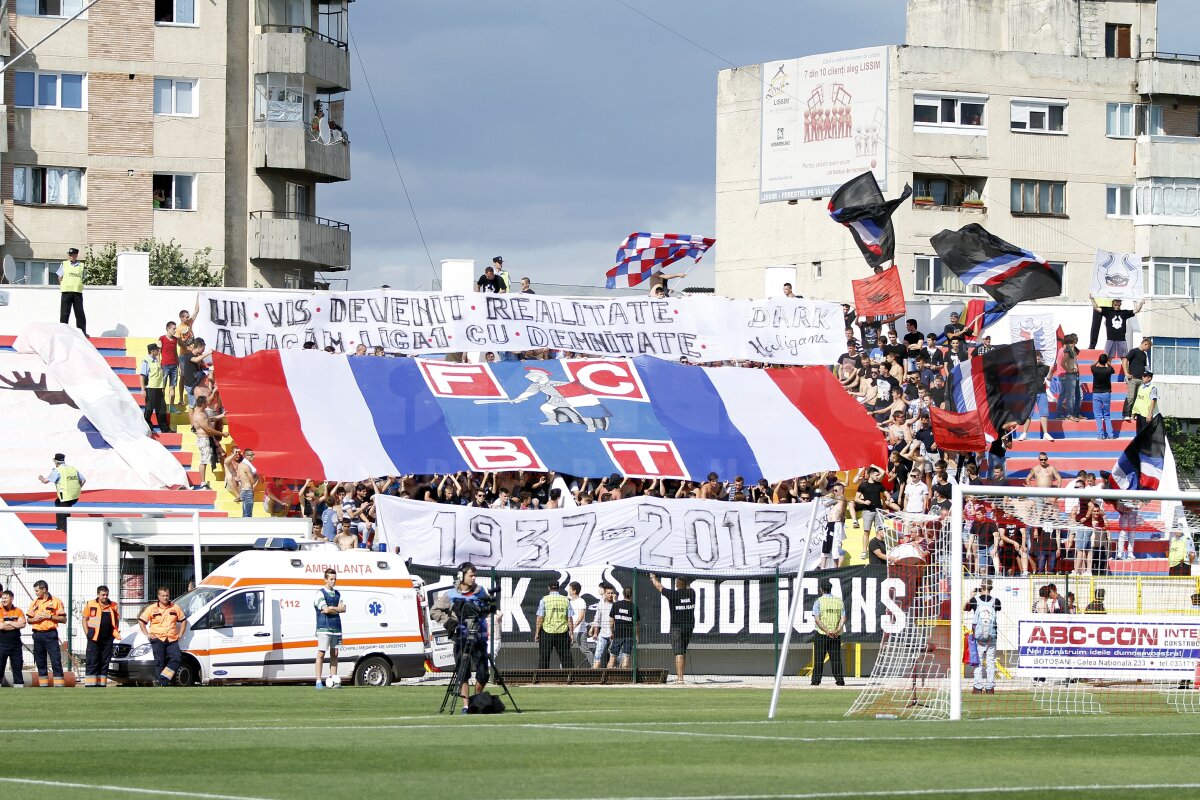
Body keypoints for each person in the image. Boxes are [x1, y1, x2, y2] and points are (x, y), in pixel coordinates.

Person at [430, 563, 494, 713]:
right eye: (471, 575)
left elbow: (488, 608)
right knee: (462, 673)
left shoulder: (480, 592)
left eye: (474, 575)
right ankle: (466, 705)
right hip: (461, 639)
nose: (474, 578)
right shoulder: (451, 594)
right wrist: (451, 623)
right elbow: (435, 610)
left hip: (479, 639)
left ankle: (476, 701)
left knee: (483, 674)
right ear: (461, 576)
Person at [650, 573, 695, 684]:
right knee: (683, 651)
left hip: (677, 627)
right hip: (689, 626)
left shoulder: (673, 594)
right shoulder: (692, 593)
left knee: (679, 653)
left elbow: (659, 587)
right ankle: (681, 677)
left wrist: (652, 578)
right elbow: (689, 587)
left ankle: (680, 679)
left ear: (677, 585)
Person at [138, 587, 187, 686]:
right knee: (160, 662)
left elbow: (183, 620)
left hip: (171, 639)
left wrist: (181, 633)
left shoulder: (175, 607)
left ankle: (162, 680)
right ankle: (162, 684)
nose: (165, 598)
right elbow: (141, 621)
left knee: (176, 658)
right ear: (159, 596)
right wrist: (147, 634)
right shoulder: (152, 608)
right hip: (158, 639)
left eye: (167, 595)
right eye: (163, 596)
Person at [27, 580, 66, 687]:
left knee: (55, 660)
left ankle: (59, 685)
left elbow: (63, 619)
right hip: (37, 635)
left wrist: (50, 617)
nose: (36, 593)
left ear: (44, 589)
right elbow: (29, 620)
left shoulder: (56, 601)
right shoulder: (35, 602)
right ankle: (43, 686)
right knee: (40, 661)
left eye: (37, 590)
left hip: (50, 634)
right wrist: (35, 619)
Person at [966, 579, 1000, 694]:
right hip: (992, 636)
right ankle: (990, 688)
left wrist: (971, 596)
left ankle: (978, 687)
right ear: (991, 587)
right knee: (990, 662)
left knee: (978, 662)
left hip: (978, 636)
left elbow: (965, 608)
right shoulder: (996, 601)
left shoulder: (975, 600)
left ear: (981, 587)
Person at [81, 585, 119, 687]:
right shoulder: (91, 604)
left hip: (107, 639)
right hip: (94, 638)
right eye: (103, 595)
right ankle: (90, 685)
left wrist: (115, 632)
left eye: (106, 594)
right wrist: (87, 633)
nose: (105, 597)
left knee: (105, 662)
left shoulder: (113, 605)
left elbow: (116, 620)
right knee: (92, 661)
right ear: (98, 594)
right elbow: (84, 619)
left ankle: (101, 685)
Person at [810, 578, 846, 687]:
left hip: (821, 633)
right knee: (836, 658)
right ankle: (840, 680)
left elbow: (817, 619)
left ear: (821, 589)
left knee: (819, 658)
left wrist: (826, 631)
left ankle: (816, 681)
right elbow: (843, 618)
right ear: (831, 589)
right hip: (836, 634)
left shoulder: (818, 601)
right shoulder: (839, 601)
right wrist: (837, 630)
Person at [313, 568, 345, 688]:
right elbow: (325, 609)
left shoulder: (338, 593)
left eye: (335, 579)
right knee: (321, 653)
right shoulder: (320, 593)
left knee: (335, 653)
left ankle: (333, 679)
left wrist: (332, 608)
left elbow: (344, 608)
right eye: (331, 579)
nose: (334, 581)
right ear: (325, 579)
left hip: (336, 628)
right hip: (324, 628)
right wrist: (336, 609)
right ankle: (318, 681)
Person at [38, 453, 84, 532]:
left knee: (64, 511)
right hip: (75, 496)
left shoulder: (58, 470)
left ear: (56, 462)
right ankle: (60, 526)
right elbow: (83, 480)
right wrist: (77, 488)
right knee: (58, 502)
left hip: (65, 497)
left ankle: (63, 528)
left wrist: (41, 478)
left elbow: (45, 481)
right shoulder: (72, 468)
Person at [1090, 295, 1143, 361]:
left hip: (1121, 339)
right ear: (1113, 304)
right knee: (1109, 357)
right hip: (1110, 339)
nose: (1117, 306)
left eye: (1118, 305)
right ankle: (1108, 370)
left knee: (1124, 357)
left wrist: (1141, 303)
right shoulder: (1108, 312)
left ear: (1120, 304)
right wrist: (1092, 299)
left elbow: (1136, 311)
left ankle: (1125, 371)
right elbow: (1097, 308)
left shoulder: (1124, 313)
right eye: (1115, 305)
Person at [534, 580, 571, 670]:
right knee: (566, 656)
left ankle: (543, 677)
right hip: (562, 631)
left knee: (544, 656)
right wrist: (572, 634)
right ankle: (570, 676)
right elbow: (569, 618)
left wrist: (537, 633)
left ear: (549, 588)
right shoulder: (565, 599)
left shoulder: (545, 600)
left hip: (547, 631)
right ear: (558, 588)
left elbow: (540, 618)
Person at [189, 398, 222, 490]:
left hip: (209, 438)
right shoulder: (198, 415)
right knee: (204, 460)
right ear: (203, 403)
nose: (209, 402)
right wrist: (222, 434)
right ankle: (203, 483)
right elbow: (208, 429)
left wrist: (221, 416)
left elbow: (209, 419)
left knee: (218, 455)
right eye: (207, 401)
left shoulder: (203, 412)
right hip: (204, 439)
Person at [139, 343, 170, 434]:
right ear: (152, 351)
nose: (158, 351)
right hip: (150, 388)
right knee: (149, 409)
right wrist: (143, 389)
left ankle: (164, 429)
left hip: (158, 388)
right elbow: (142, 376)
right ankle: (148, 427)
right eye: (157, 350)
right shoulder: (146, 361)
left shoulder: (156, 359)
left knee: (161, 409)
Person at [57, 247, 87, 336]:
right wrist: (62, 284)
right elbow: (59, 276)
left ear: (76, 255)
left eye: (72, 255)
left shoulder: (81, 265)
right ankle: (63, 332)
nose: (70, 256)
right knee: (64, 313)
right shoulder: (64, 264)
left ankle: (82, 332)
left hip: (77, 292)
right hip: (66, 291)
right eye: (69, 255)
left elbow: (83, 277)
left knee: (79, 313)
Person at [0, 590, 26, 688]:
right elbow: (1, 626)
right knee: (0, 664)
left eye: (5, 598)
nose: (3, 600)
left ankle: (18, 684)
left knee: (17, 664)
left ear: (11, 598)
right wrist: (15, 624)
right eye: (2, 598)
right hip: (2, 643)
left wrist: (9, 623)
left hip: (16, 644)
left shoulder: (18, 611)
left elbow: (23, 624)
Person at [608, 585, 639, 668]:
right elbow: (636, 624)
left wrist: (611, 632)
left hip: (618, 634)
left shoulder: (616, 605)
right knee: (626, 657)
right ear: (631, 595)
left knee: (612, 657)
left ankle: (608, 678)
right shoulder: (633, 607)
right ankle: (624, 679)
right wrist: (636, 636)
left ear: (623, 594)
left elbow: (611, 621)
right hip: (629, 635)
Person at [1123, 338, 1151, 421]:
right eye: (1148, 347)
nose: (1148, 349)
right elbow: (1125, 360)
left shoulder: (1144, 355)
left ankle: (1133, 414)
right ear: (1145, 344)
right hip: (1133, 378)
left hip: (1141, 379)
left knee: (1138, 398)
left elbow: (1145, 367)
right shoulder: (1134, 351)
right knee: (1130, 396)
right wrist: (1126, 372)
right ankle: (1126, 414)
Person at [589, 583, 616, 668]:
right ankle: (595, 675)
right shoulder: (601, 604)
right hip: (603, 633)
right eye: (608, 593)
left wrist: (615, 601)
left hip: (614, 635)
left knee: (615, 656)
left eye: (612, 593)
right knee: (598, 654)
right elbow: (597, 619)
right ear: (605, 594)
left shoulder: (616, 605)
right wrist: (595, 633)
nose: (610, 595)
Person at [1090, 353, 1116, 439]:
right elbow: (1113, 370)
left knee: (1098, 416)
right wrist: (1107, 363)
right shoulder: (1108, 370)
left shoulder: (1095, 369)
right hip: (1106, 393)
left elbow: (1091, 365)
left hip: (1096, 393)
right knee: (1107, 415)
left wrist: (1098, 360)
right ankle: (1110, 435)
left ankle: (1100, 435)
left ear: (1099, 360)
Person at [567, 580, 592, 667]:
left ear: (574, 591)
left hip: (580, 630)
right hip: (570, 630)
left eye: (570, 589)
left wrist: (572, 627)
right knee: (565, 650)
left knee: (584, 649)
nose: (568, 590)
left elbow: (581, 616)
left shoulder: (581, 601)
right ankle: (566, 668)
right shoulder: (569, 602)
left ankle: (595, 666)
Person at [159, 321, 181, 412]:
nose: (175, 330)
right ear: (168, 329)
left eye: (175, 328)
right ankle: (162, 406)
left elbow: (175, 353)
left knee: (173, 387)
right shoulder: (162, 338)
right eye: (173, 329)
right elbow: (158, 353)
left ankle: (171, 406)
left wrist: (178, 366)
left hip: (174, 367)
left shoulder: (175, 340)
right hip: (164, 366)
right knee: (163, 387)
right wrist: (158, 365)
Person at [237, 450, 260, 518]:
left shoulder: (240, 465)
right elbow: (252, 481)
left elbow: (238, 478)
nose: (253, 456)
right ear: (246, 456)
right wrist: (257, 477)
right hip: (248, 491)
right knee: (248, 515)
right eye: (252, 455)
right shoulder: (247, 467)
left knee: (244, 514)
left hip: (243, 490)